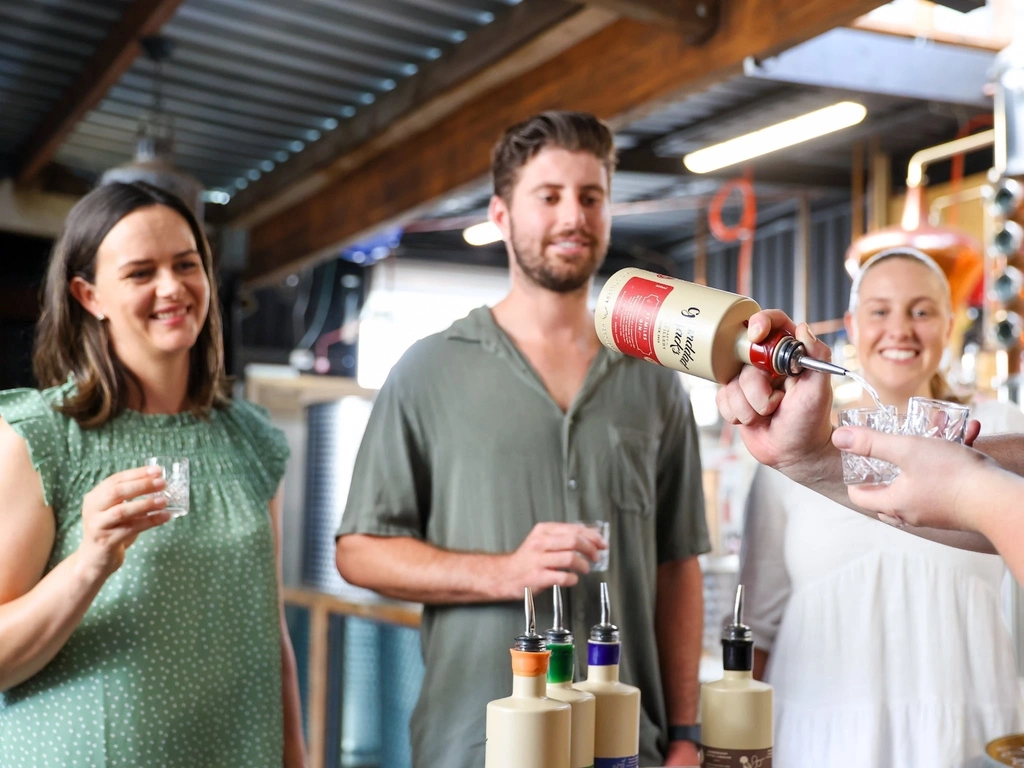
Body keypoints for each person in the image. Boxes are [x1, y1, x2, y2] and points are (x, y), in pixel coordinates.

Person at [335, 111, 709, 768]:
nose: (574, 216)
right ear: (502, 216)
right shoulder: (428, 371)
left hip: (624, 746)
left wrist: (684, 733)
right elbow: (360, 553)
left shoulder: (655, 382)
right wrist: (503, 573)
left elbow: (678, 567)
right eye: (549, 196)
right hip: (472, 745)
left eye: (591, 197)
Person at [0, 182, 306, 767]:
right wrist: (90, 559)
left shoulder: (251, 440)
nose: (173, 288)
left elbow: (271, 633)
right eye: (141, 273)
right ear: (89, 296)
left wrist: (300, 756)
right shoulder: (39, 438)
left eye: (186, 265)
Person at [738, 248, 1024, 768]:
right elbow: (759, 625)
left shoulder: (998, 426)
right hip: (820, 737)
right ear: (850, 324)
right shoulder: (792, 441)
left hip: (966, 728)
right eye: (879, 311)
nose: (900, 329)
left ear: (948, 324)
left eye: (921, 311)